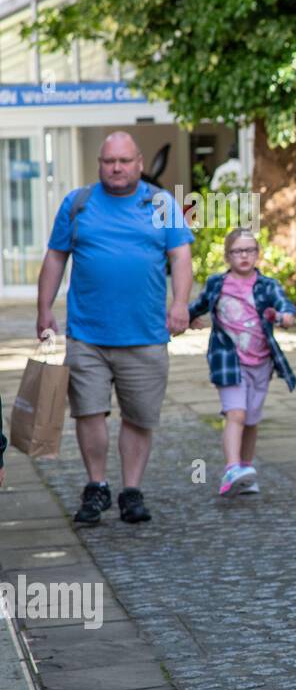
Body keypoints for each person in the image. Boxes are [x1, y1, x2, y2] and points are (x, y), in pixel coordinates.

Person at [35, 132, 193, 524]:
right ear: (100, 164)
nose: (116, 167)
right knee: (88, 413)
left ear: (139, 162)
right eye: (109, 161)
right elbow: (55, 258)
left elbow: (182, 255)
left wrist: (179, 304)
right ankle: (97, 486)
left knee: (140, 418)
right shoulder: (78, 204)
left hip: (145, 335)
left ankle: (131, 491)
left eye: (124, 161)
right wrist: (44, 309)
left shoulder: (161, 203)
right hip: (87, 333)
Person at [188, 228, 296, 496]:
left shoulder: (268, 285)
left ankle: (246, 470)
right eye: (238, 251)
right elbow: (196, 306)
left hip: (261, 362)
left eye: (249, 250)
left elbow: (287, 309)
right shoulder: (217, 284)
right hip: (227, 359)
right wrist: (187, 319)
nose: (244, 256)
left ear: (258, 254)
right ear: (228, 256)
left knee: (250, 419)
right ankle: (231, 468)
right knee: (235, 413)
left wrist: (283, 318)